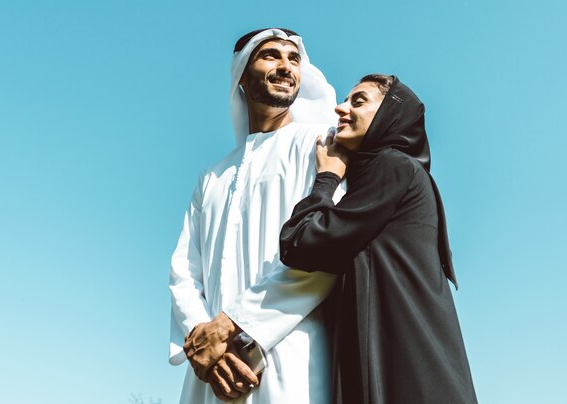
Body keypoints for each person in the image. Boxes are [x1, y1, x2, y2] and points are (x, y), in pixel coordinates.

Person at [169, 28, 344, 403]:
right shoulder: (212, 177)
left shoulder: (320, 145)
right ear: (241, 78)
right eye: (271, 56)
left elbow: (328, 246)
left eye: (293, 59)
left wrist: (232, 326)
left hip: (291, 357)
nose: (285, 66)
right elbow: (184, 272)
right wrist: (204, 340)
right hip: (211, 372)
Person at [279, 75, 478, 403]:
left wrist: (326, 178)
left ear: (390, 115)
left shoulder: (391, 166)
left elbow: (301, 244)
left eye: (358, 101)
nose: (339, 108)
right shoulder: (395, 172)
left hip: (407, 370)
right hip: (412, 365)